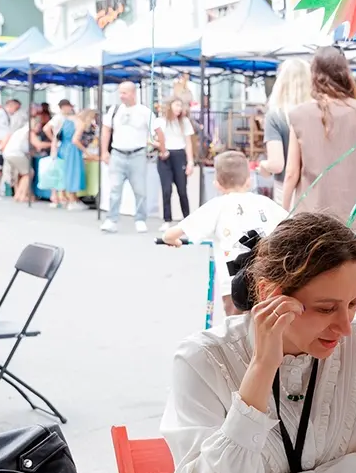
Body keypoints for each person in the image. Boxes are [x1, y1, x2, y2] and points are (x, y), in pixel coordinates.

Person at [161, 212, 356, 473]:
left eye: (353, 303)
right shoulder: (202, 358)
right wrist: (261, 368)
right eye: (326, 309)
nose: (345, 327)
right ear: (272, 294)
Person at [162, 151, 289, 317]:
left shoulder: (216, 206)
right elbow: (290, 224)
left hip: (235, 285)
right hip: (268, 281)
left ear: (217, 184)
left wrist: (171, 240)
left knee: (237, 332)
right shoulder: (265, 203)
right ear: (249, 181)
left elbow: (172, 234)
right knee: (267, 325)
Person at [284, 47, 356, 230]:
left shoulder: (299, 114)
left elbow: (292, 172)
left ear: (314, 75)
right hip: (355, 215)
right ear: (346, 73)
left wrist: (283, 211)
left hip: (311, 216)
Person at [100, 81, 164, 234]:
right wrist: (104, 151)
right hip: (117, 153)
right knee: (115, 188)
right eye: (120, 92)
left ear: (133, 93)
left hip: (137, 154)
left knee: (140, 189)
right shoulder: (114, 110)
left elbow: (157, 129)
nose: (121, 96)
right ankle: (111, 219)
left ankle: (140, 219)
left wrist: (160, 145)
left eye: (125, 92)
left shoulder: (144, 111)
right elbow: (106, 131)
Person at [259, 57, 310, 206]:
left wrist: (263, 165)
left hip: (286, 189)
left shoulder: (275, 116)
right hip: (314, 187)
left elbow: (277, 164)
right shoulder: (316, 114)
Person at [156, 97, 196, 232]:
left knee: (182, 190)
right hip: (165, 155)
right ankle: (167, 219)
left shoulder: (184, 122)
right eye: (177, 105)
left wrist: (190, 161)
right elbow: (152, 139)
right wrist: (161, 149)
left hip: (180, 155)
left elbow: (189, 142)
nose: (179, 108)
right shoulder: (160, 121)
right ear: (170, 106)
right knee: (166, 189)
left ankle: (187, 219)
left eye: (181, 106)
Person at [2, 115, 32, 203]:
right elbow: (28, 146)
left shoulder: (20, 131)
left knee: (21, 174)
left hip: (9, 153)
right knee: (29, 173)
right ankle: (22, 195)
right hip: (16, 154)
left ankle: (18, 194)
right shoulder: (28, 131)